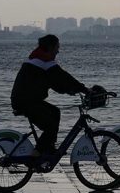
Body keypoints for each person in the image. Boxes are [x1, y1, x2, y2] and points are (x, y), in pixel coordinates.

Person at [11, 34, 89, 163]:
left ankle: (49, 148)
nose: (58, 51)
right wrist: (84, 89)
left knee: (55, 112)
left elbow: (55, 83)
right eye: (57, 47)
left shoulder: (37, 58)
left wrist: (69, 90)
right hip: (26, 102)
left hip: (27, 100)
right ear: (50, 47)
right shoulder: (44, 60)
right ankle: (35, 156)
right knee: (50, 126)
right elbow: (63, 76)